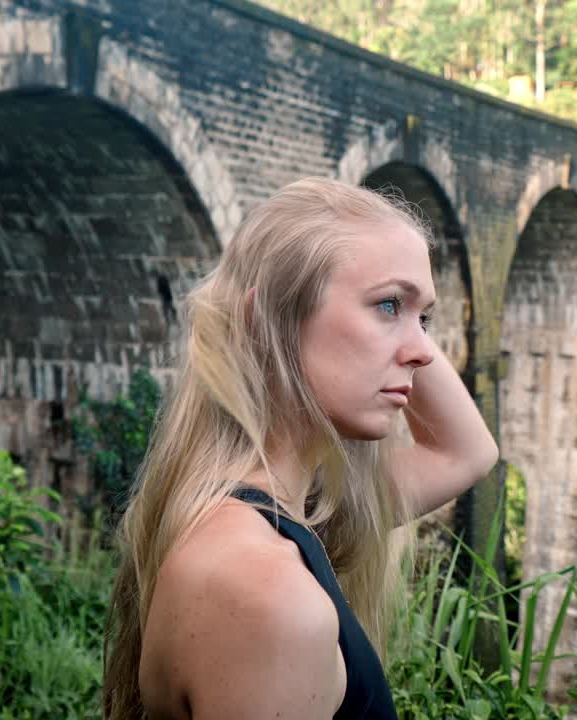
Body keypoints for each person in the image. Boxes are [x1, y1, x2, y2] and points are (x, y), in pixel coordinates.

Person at [102, 177, 499, 719]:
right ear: (267, 321)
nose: (424, 353)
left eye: (424, 319)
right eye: (386, 305)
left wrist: (400, 289)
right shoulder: (264, 591)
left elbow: (467, 453)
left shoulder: (299, 514)